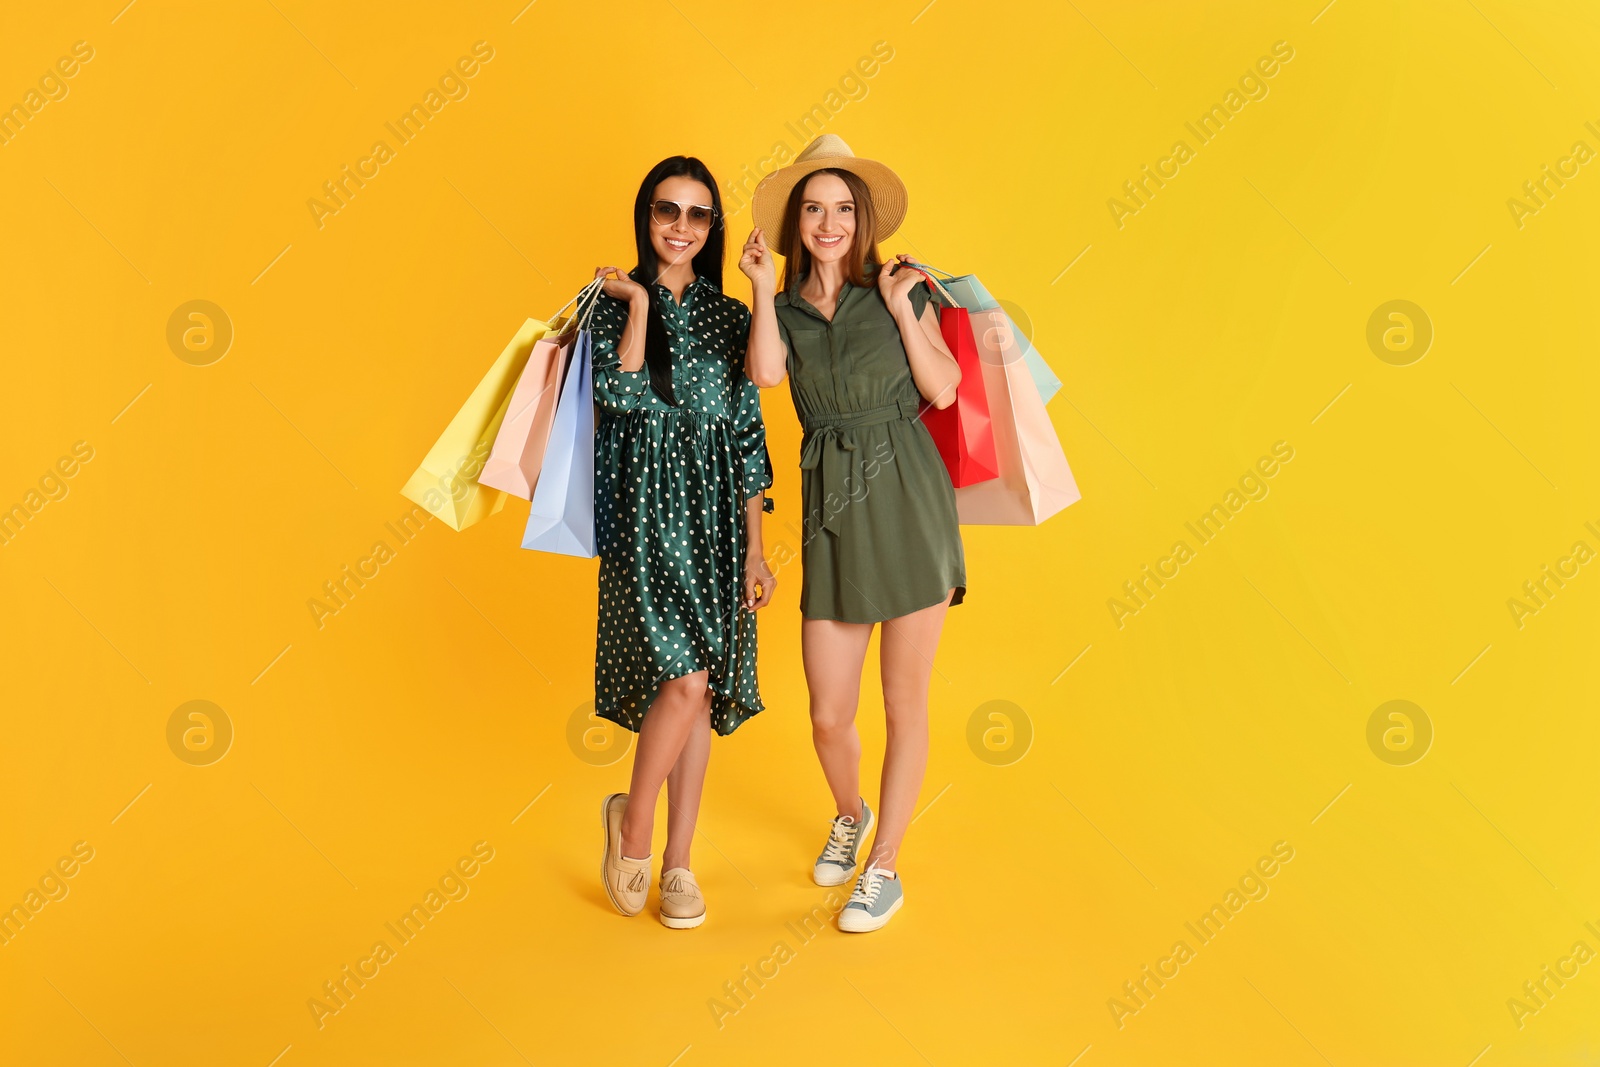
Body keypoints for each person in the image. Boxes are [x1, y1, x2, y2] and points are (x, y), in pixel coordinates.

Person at [742, 135, 965, 932]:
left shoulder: (900, 289)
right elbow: (767, 374)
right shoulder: (787, 307)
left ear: (862, 217)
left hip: (910, 503)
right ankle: (851, 811)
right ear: (796, 222)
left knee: (905, 702)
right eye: (814, 208)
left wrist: (905, 309)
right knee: (828, 713)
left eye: (843, 208)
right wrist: (766, 288)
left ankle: (885, 865)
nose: (829, 222)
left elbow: (941, 388)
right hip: (834, 509)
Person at [591, 155, 776, 929]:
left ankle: (679, 864)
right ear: (647, 216)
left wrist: (757, 548)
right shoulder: (608, 302)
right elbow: (619, 394)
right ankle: (635, 830)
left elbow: (748, 432)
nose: (681, 226)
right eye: (668, 210)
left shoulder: (731, 318)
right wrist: (637, 304)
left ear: (714, 227)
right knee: (685, 681)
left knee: (698, 691)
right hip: (641, 515)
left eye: (698, 215)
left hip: (716, 520)